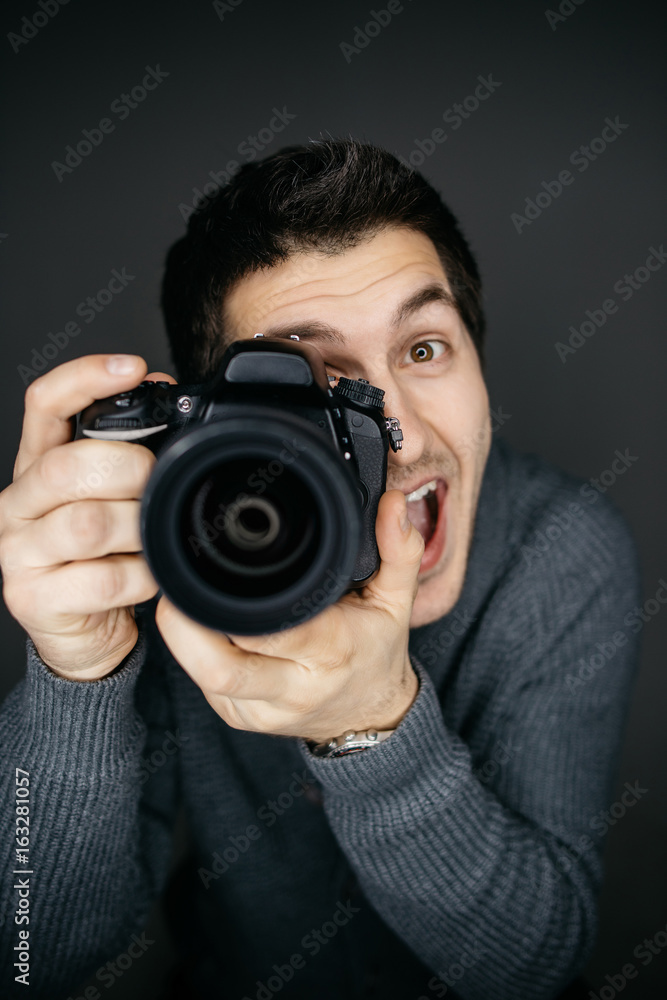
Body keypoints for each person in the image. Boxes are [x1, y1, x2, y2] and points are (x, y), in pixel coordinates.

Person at [0, 139, 640, 1000]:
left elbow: (530, 968)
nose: (401, 434)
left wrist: (374, 726)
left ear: (479, 363)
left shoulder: (557, 546)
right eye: (325, 379)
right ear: (218, 423)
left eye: (423, 349)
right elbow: (33, 958)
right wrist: (75, 679)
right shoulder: (160, 558)